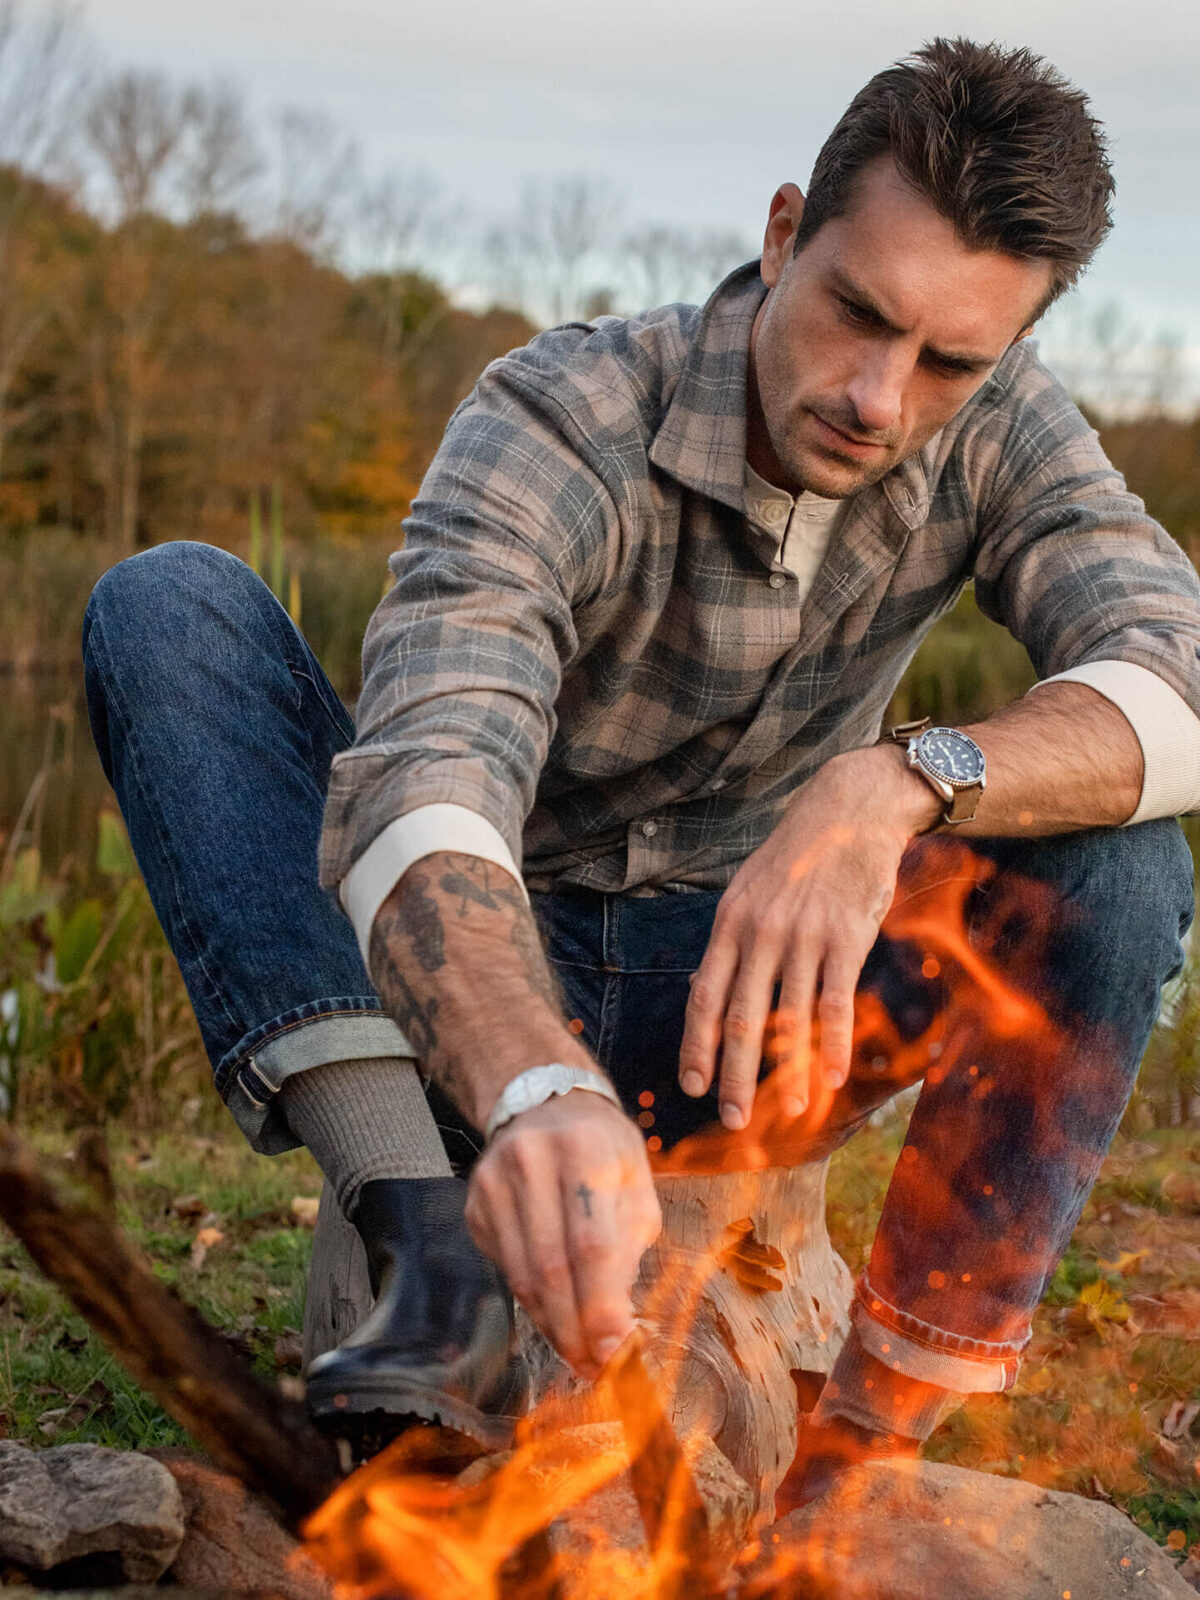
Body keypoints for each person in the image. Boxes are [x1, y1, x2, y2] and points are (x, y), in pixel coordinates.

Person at [82, 37, 1199, 1507]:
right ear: (786, 231)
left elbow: (1174, 670)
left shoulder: (999, 429)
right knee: (169, 605)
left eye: (948, 360)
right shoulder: (563, 416)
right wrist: (534, 1083)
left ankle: (865, 1449)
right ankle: (425, 1245)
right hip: (477, 1004)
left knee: (1118, 865)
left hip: (748, 1013)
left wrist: (899, 780)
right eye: (856, 313)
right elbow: (435, 763)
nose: (880, 396)